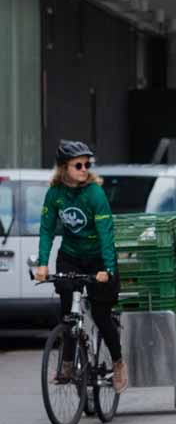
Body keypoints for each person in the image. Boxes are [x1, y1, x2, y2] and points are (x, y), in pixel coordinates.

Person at [36, 140, 127, 394]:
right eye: (78, 165)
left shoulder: (94, 194)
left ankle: (118, 362)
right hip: (71, 256)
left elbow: (106, 232)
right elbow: (46, 230)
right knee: (67, 314)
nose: (84, 169)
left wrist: (108, 269)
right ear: (64, 168)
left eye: (87, 164)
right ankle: (67, 363)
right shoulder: (54, 194)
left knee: (100, 315)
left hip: (98, 258)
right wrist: (42, 264)